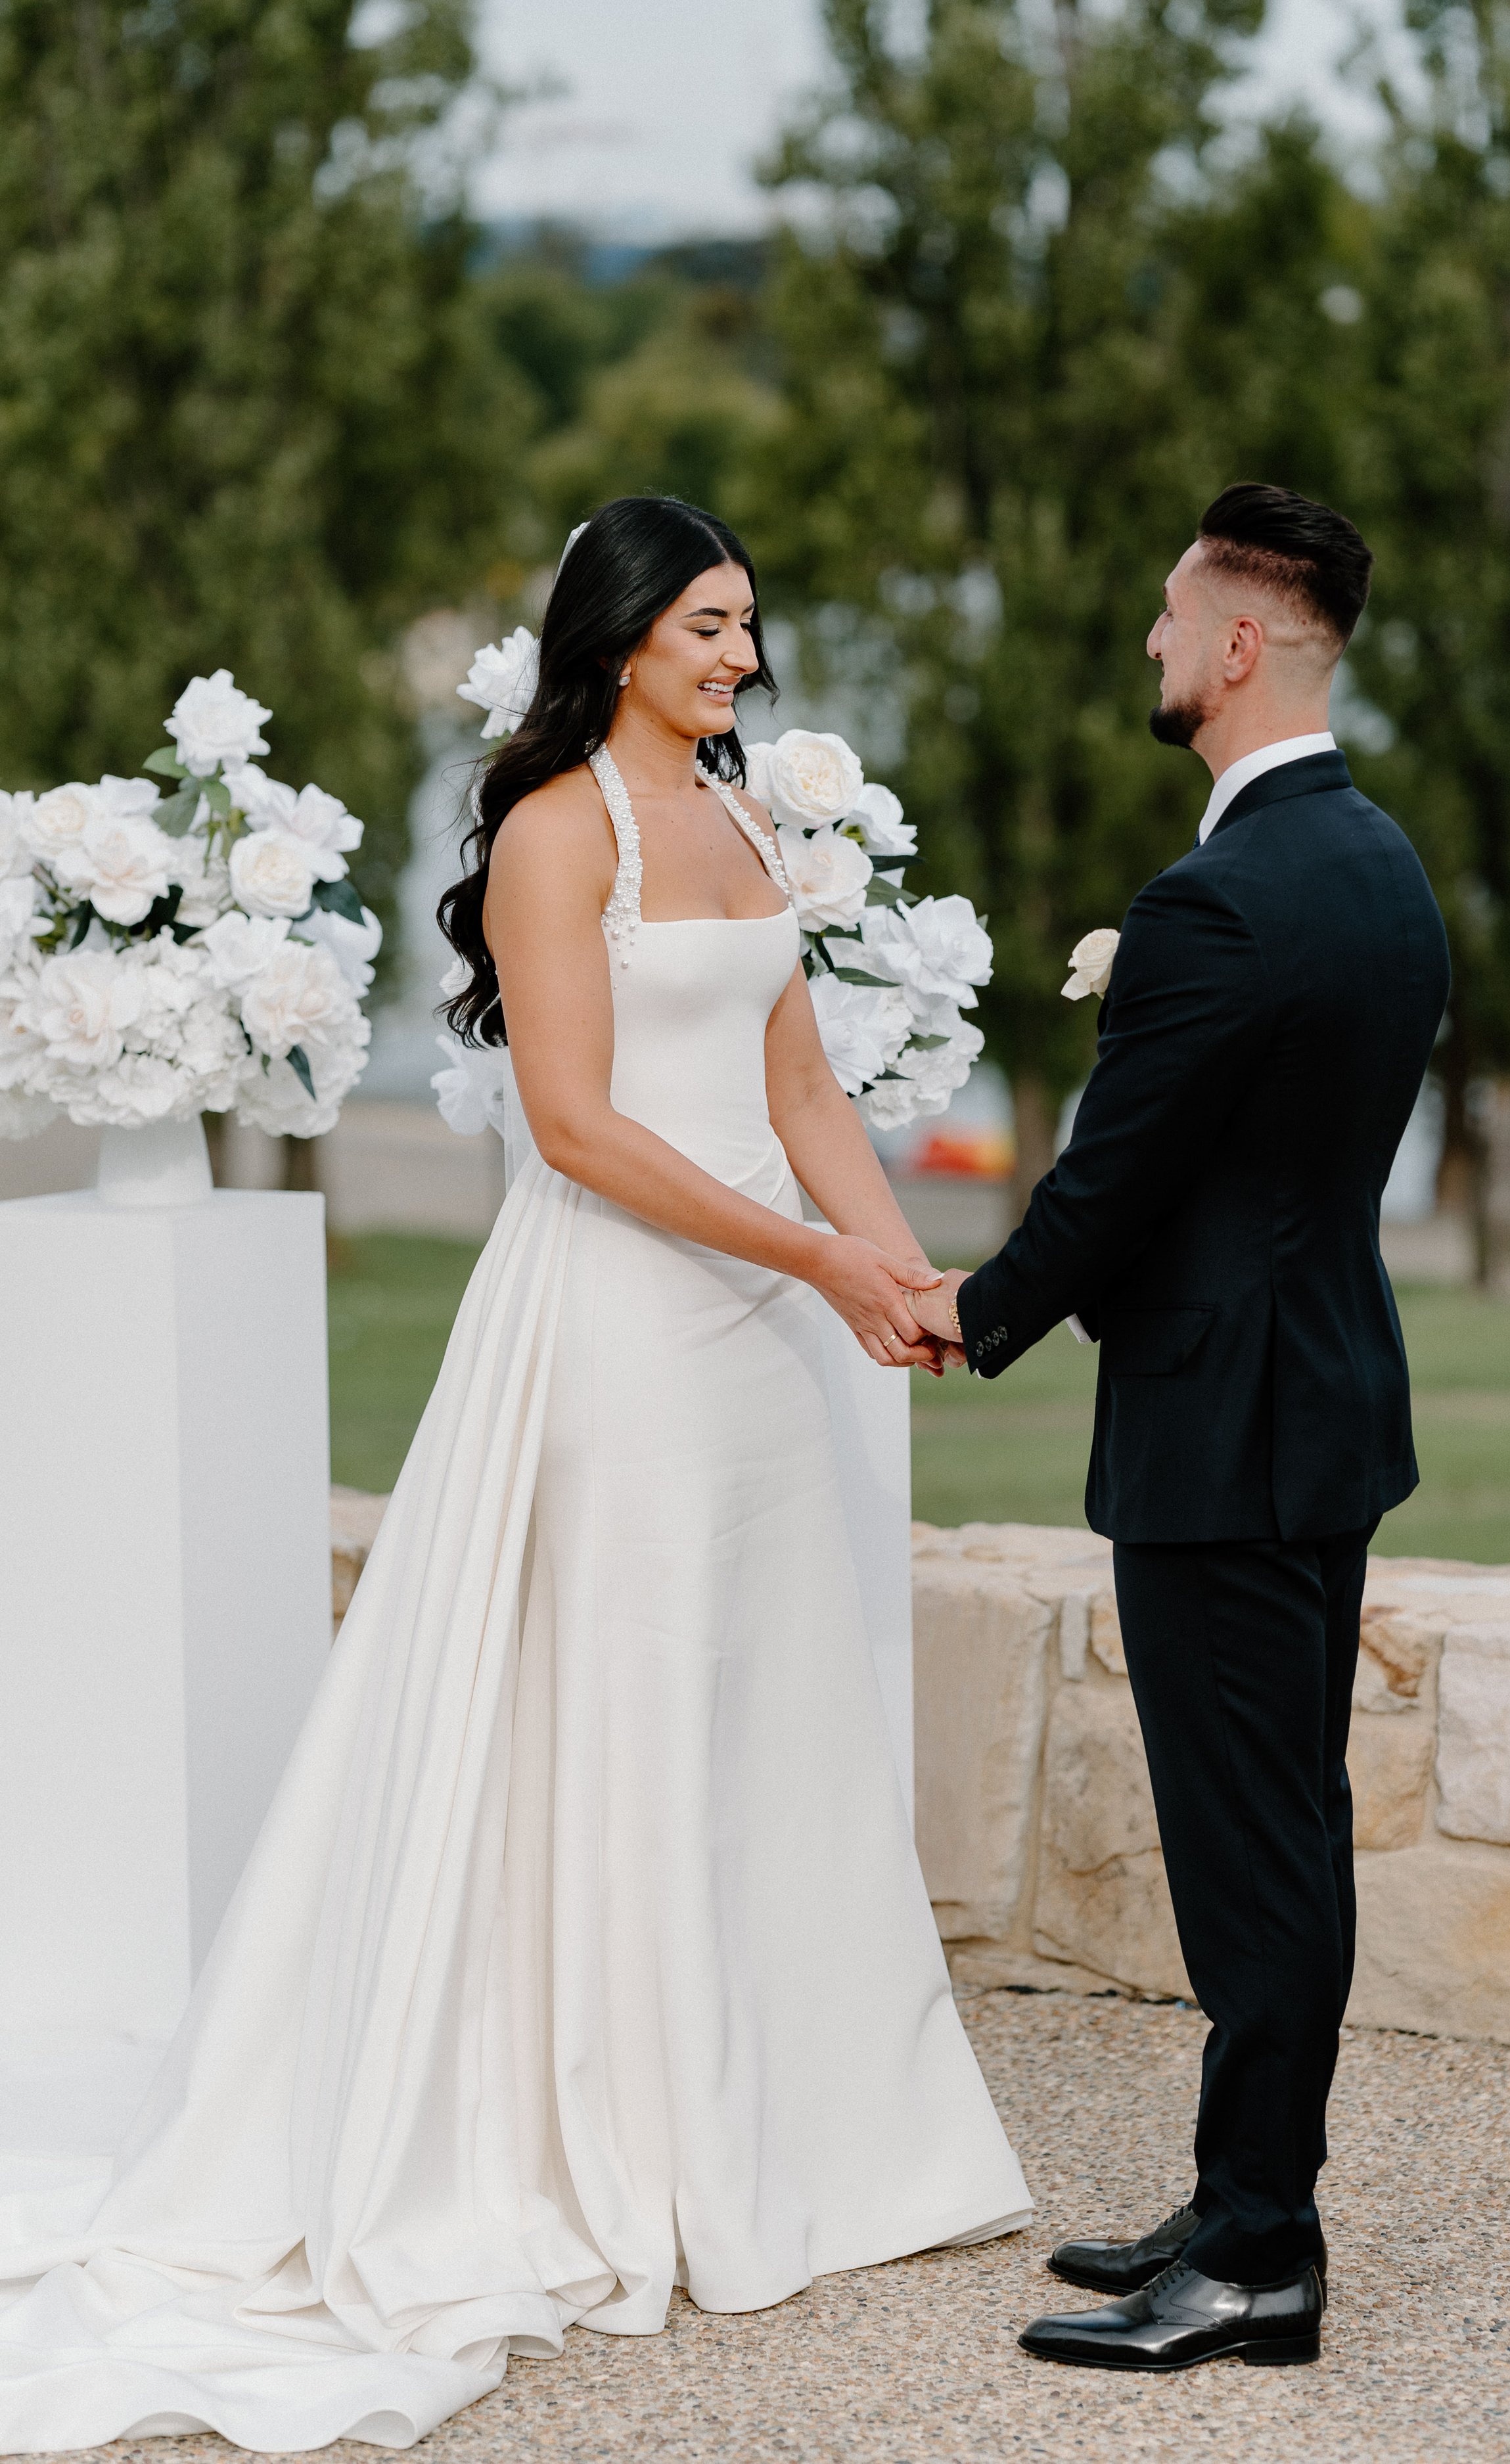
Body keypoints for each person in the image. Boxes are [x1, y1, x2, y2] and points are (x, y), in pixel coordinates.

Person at [0, 496, 1029, 2453]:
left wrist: (894, 1268)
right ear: (625, 630)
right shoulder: (564, 828)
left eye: (749, 626)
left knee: (764, 1710)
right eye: (710, 625)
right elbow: (570, 1125)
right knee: (628, 1703)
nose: (741, 655)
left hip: (764, 1328)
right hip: (629, 1323)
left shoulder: (744, 825)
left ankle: (809, 2129)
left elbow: (802, 1087)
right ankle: (627, 2136)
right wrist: (804, 1257)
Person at [911, 483, 1450, 2373]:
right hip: (1324, 1411)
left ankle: (1257, 2261)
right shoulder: (1377, 860)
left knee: (1251, 1860)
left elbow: (1111, 1182)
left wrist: (965, 1316)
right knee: (1284, 1832)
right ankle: (1235, 2207)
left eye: (1166, 618)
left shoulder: (1215, 896)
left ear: (1238, 643)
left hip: (1222, 1441)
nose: (1147, 644)